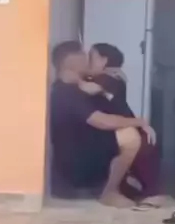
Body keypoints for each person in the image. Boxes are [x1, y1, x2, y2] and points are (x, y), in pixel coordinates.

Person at [50, 41, 155, 208]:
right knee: (130, 136)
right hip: (77, 157)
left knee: (134, 135)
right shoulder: (65, 92)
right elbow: (101, 121)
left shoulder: (77, 85)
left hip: (86, 141)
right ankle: (108, 192)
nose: (87, 59)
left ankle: (132, 186)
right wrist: (139, 121)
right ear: (71, 61)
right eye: (83, 55)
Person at [85, 43, 162, 204]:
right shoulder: (113, 77)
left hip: (125, 127)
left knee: (139, 156)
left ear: (104, 60)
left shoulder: (107, 78)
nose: (87, 61)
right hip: (128, 124)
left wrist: (72, 75)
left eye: (91, 57)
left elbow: (89, 89)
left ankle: (140, 193)